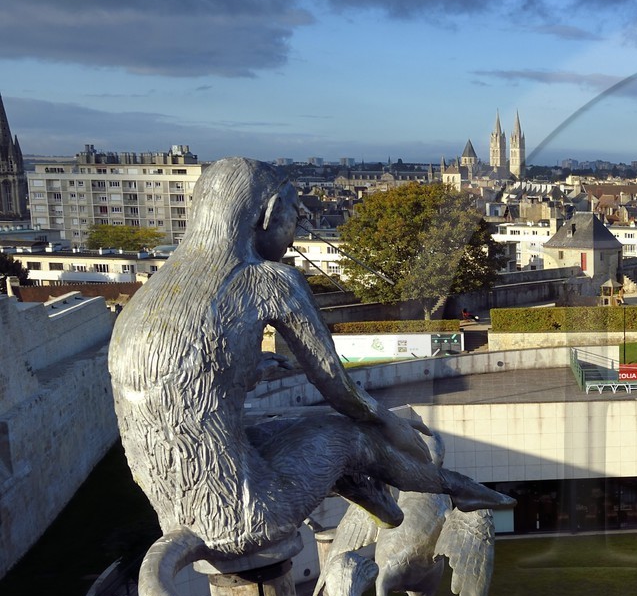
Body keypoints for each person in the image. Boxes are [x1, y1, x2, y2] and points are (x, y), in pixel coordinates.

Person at [109, 157, 511, 565]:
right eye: (295, 214)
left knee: (292, 430)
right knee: (350, 434)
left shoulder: (158, 287)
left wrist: (253, 369)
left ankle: (385, 507)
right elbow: (338, 386)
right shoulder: (269, 280)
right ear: (267, 214)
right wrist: (390, 423)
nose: (297, 226)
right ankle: (452, 485)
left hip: (178, 515)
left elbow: (184, 380)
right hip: (248, 515)